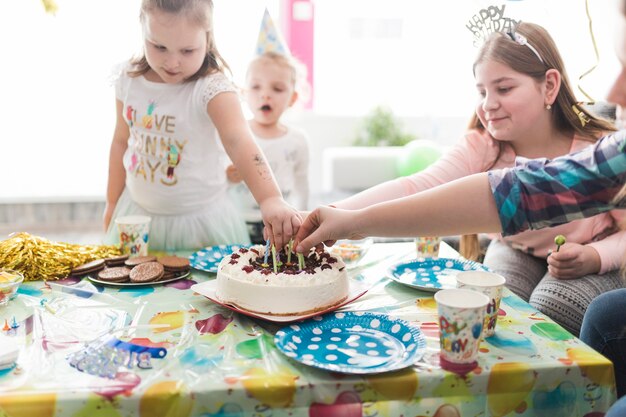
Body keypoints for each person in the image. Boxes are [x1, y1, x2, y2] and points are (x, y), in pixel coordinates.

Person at [295, 2, 626, 406]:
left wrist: (593, 255)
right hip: (517, 248)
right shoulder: (482, 147)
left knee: (550, 306)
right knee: (492, 310)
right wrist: (342, 215)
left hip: (595, 254)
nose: (488, 103)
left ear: (550, 86)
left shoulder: (599, 149)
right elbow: (418, 186)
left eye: (504, 89)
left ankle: (555, 402)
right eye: (482, 91)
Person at [103, 0, 300, 252]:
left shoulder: (210, 88)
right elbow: (121, 141)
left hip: (201, 225)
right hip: (139, 216)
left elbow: (239, 140)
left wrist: (270, 198)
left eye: (187, 50)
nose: (172, 62)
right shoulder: (128, 80)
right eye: (159, 46)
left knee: (198, 289)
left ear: (207, 38)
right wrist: (111, 202)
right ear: (142, 27)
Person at [226, 51, 310, 244]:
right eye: (256, 87)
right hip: (238, 221)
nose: (265, 94)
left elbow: (302, 185)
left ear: (293, 98)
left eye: (277, 89)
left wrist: (303, 220)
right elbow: (215, 179)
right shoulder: (235, 135)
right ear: (244, 93)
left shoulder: (298, 140)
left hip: (280, 224)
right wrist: (228, 177)